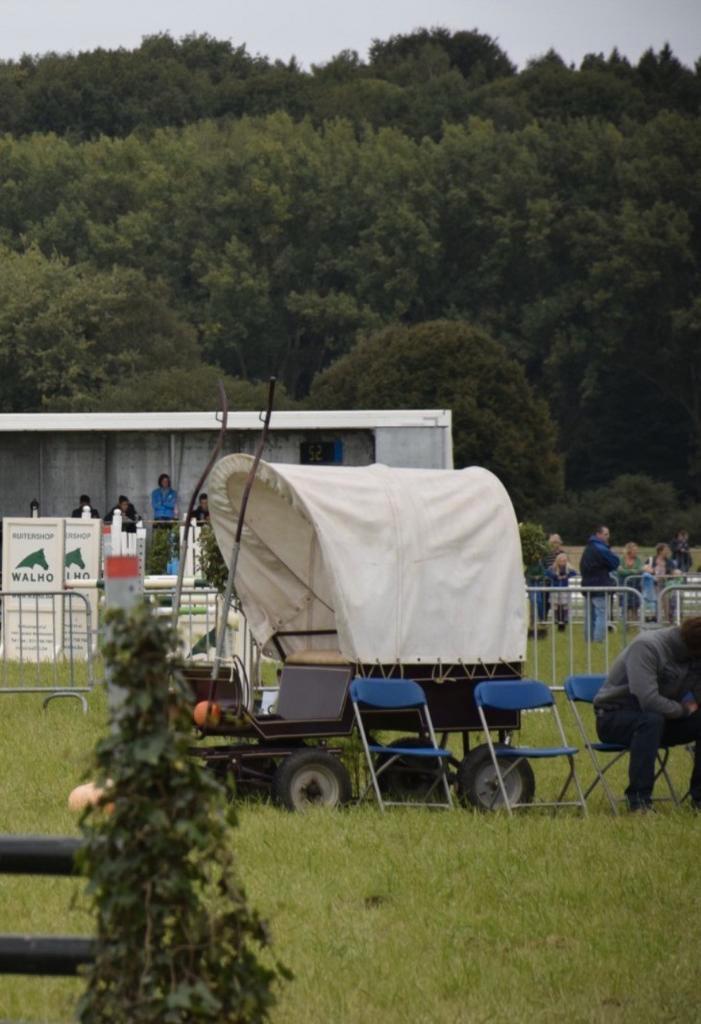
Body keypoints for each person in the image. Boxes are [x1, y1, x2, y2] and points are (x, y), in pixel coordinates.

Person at [594, 617, 701, 812]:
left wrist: (690, 706)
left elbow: (697, 697)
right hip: (614, 716)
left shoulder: (694, 654)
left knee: (660, 720)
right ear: (692, 650)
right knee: (652, 719)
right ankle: (639, 801)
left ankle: (699, 800)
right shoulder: (647, 647)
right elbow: (648, 700)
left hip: (663, 718)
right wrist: (683, 710)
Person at [580, 525, 620, 642]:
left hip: (587, 584)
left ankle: (589, 640)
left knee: (590, 615)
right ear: (599, 534)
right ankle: (598, 640)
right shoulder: (601, 548)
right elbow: (615, 562)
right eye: (606, 534)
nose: (608, 537)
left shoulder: (588, 548)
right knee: (601, 614)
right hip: (600, 584)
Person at [642, 543, 677, 623]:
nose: (668, 551)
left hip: (665, 585)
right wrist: (649, 570)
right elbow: (644, 567)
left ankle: (668, 620)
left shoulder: (669, 561)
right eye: (666, 550)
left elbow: (674, 571)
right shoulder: (651, 559)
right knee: (655, 603)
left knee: (666, 602)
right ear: (660, 551)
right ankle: (656, 619)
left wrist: (673, 574)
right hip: (653, 585)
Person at [545, 551, 576, 631]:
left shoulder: (567, 568)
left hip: (564, 589)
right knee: (556, 605)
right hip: (555, 589)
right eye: (561, 561)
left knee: (564, 605)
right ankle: (556, 619)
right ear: (558, 561)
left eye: (564, 561)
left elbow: (574, 573)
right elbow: (548, 573)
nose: (563, 562)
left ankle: (564, 619)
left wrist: (566, 576)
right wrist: (556, 576)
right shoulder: (553, 568)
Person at [617, 541, 644, 620]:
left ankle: (635, 624)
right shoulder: (621, 559)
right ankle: (626, 626)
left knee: (635, 607)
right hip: (624, 587)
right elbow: (619, 571)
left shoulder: (638, 560)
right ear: (629, 551)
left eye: (637, 550)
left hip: (636, 587)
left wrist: (627, 571)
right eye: (634, 551)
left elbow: (640, 570)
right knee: (625, 606)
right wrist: (633, 571)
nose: (636, 552)